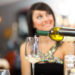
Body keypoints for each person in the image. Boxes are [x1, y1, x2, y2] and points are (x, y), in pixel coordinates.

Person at [20, 2, 74, 75]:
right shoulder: (26, 47)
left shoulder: (66, 45)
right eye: (39, 17)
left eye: (48, 14)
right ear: (32, 24)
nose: (46, 19)